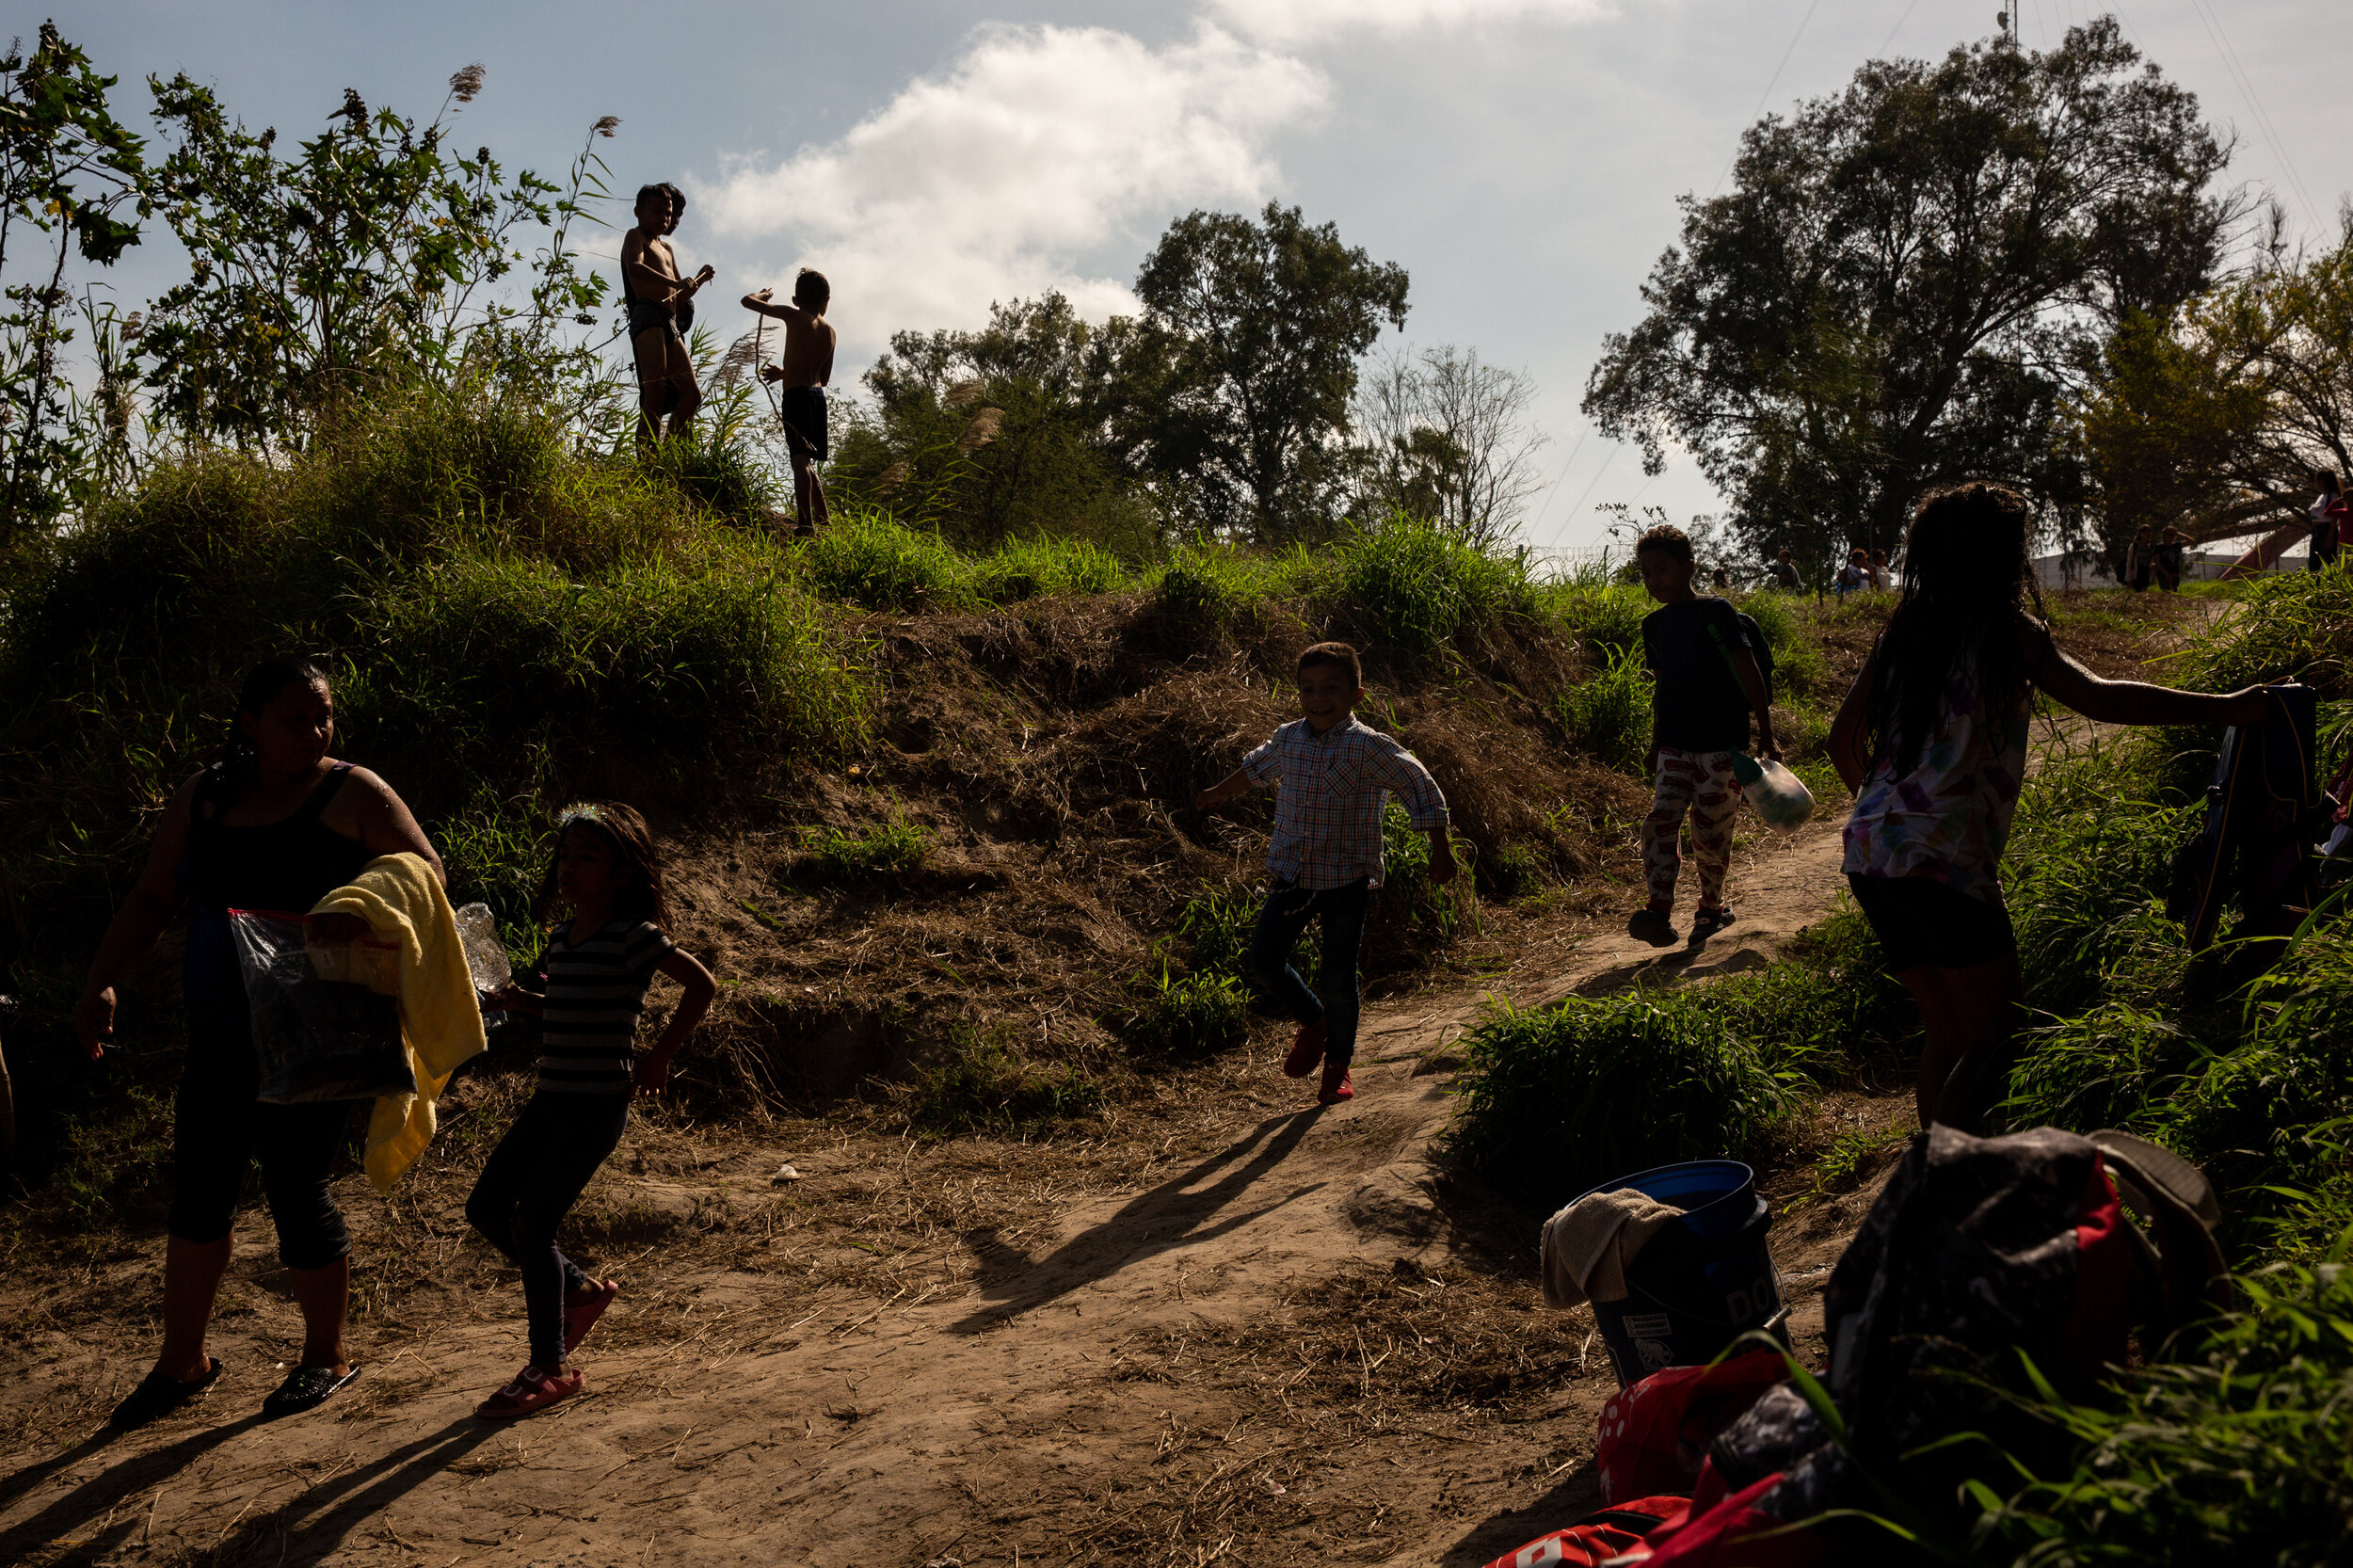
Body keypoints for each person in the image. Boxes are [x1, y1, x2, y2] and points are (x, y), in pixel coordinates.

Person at [1827, 484, 2270, 1133]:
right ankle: (1947, 1182)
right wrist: (2228, 706)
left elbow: (1841, 742)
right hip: (1941, 861)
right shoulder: (2005, 630)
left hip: (1869, 853)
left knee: (1948, 1034)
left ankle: (1933, 1186)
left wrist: (1890, 818)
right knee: (1995, 1036)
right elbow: (2101, 699)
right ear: (1997, 555)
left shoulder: (1907, 628)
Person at [74, 658, 445, 1427]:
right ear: (248, 721)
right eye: (294, 719)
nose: (315, 732)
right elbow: (153, 896)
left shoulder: (354, 792)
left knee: (296, 1186)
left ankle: (326, 1357)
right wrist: (101, 979)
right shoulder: (205, 798)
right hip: (220, 1029)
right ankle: (184, 1362)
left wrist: (361, 902)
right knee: (200, 1192)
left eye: (324, 717)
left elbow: (425, 871)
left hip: (320, 1033)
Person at [468, 802, 715, 1419]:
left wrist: (659, 1055)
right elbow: (570, 1008)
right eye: (565, 856)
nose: (570, 869)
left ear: (622, 874)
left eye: (587, 858)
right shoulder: (562, 936)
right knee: (487, 1207)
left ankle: (548, 1368)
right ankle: (577, 1289)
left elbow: (702, 984)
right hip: (550, 1098)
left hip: (595, 1106)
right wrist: (524, 1003)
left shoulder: (634, 937)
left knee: (533, 1224)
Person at [1193, 642, 1455, 1106]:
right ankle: (1315, 1022)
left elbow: (1420, 785)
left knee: (1338, 974)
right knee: (1265, 960)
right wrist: (1219, 791)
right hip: (1293, 874)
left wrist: (1440, 849)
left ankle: (1337, 1066)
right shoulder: (1289, 738)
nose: (1319, 697)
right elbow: (1254, 771)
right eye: (1309, 688)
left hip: (1347, 880)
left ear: (1356, 695)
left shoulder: (1368, 747)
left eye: (1332, 688)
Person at [1629, 525, 1780, 946]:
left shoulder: (1718, 612)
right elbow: (1663, 688)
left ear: (1688, 568)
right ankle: (1658, 910)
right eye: (1646, 572)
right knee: (1660, 822)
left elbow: (1749, 673)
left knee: (1710, 834)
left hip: (1722, 748)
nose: (1653, 580)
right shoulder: (1653, 626)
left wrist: (1766, 734)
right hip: (1674, 746)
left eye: (1662, 569)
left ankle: (1712, 909)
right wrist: (1656, 742)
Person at [742, 269, 838, 535]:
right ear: (825, 300)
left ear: (796, 300)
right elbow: (824, 378)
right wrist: (785, 373)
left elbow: (747, 301)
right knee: (808, 462)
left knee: (799, 462)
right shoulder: (830, 332)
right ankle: (824, 519)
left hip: (796, 397)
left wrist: (765, 294)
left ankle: (805, 523)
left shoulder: (792, 315)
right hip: (817, 398)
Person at [622, 184, 714, 452]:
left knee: (691, 395)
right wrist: (675, 284)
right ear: (638, 211)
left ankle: (665, 454)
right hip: (647, 316)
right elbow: (635, 268)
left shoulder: (668, 249)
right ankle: (647, 463)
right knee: (655, 391)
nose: (663, 218)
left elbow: (675, 298)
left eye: (668, 213)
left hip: (668, 321)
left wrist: (693, 283)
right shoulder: (635, 236)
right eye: (657, 211)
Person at [2310, 466, 2346, 573]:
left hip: (2326, 530)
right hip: (2316, 531)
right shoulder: (2321, 496)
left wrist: (2330, 537)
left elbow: (2334, 519)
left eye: (2317, 481)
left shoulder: (2333, 496)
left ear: (2323, 482)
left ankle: (2333, 586)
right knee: (2313, 563)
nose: (2315, 483)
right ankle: (2315, 587)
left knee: (2328, 560)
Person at [2154, 526, 2187, 592]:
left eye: (2172, 535)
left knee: (2174, 592)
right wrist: (2166, 574)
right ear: (2164, 535)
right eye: (2167, 534)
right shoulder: (2159, 547)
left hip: (2174, 573)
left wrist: (2177, 533)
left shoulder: (2176, 545)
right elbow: (2157, 562)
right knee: (2166, 593)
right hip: (2163, 574)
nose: (2170, 536)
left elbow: (2191, 541)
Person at [2124, 524, 2154, 591]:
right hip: (2137, 573)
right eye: (2144, 532)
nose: (2147, 534)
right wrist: (2129, 579)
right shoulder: (2134, 546)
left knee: (2144, 590)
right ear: (2140, 533)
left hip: (2146, 572)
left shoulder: (2150, 547)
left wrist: (2150, 575)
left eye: (2148, 532)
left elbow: (2151, 562)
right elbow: (2129, 563)